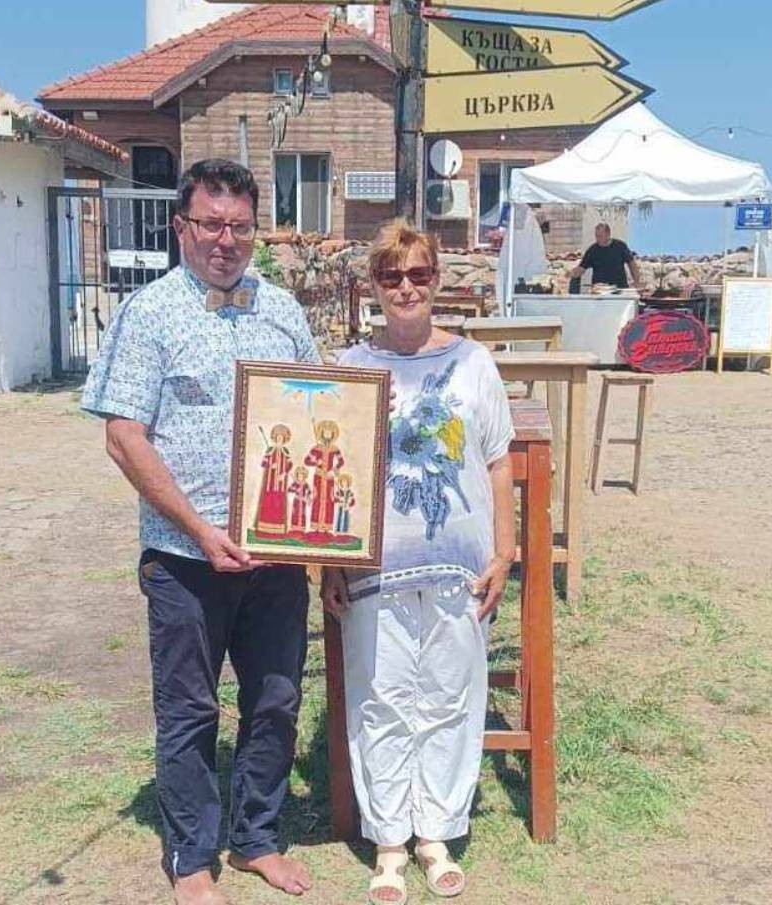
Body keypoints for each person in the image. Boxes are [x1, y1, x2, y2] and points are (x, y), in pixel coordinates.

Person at [81, 159, 319, 905]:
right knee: (189, 708)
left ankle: (255, 838)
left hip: (278, 553)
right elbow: (125, 436)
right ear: (182, 226)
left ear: (257, 230)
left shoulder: (283, 310)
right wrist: (202, 528)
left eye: (240, 226)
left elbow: (324, 412)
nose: (225, 239)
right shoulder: (149, 313)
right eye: (211, 223)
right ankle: (191, 858)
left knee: (276, 697)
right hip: (185, 557)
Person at [321, 220, 516, 904]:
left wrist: (507, 548)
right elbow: (333, 473)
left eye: (419, 274)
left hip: (459, 565)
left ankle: (435, 828)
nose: (406, 287)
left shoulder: (473, 363)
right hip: (375, 567)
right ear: (373, 285)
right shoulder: (350, 369)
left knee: (449, 696)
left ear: (438, 281)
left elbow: (496, 462)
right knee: (380, 698)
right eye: (392, 275)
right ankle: (389, 838)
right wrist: (328, 562)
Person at [570, 221, 642, 289]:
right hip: (599, 291)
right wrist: (571, 273)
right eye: (596, 236)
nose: (597, 239)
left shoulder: (620, 246)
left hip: (619, 288)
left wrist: (637, 281)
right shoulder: (592, 250)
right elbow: (582, 268)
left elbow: (632, 264)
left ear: (608, 234)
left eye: (600, 236)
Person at [255, 424, 293, 537]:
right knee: (268, 503)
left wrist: (284, 474)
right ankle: (264, 529)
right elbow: (263, 463)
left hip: (281, 483)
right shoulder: (270, 450)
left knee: (278, 504)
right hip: (269, 484)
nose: (279, 439)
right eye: (278, 437)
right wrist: (271, 465)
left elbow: (290, 465)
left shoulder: (286, 451)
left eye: (282, 437)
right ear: (275, 438)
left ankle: (278, 531)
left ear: (285, 439)